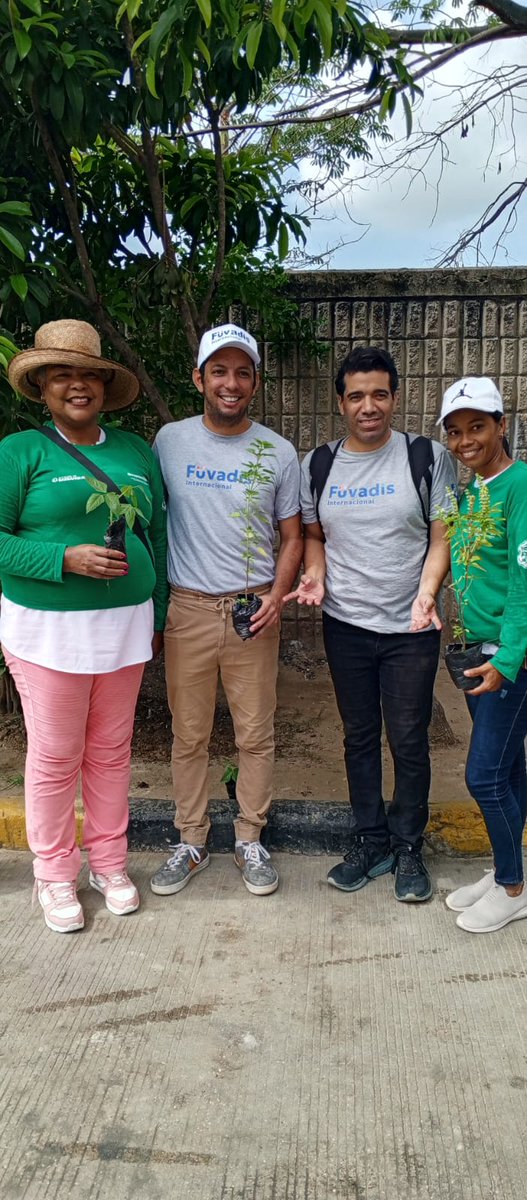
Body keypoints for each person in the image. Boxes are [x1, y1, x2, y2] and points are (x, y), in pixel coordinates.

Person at [1, 320, 168, 933]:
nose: (77, 385)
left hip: (125, 629)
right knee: (55, 755)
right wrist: (62, 559)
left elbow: (159, 535)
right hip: (47, 634)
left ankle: (109, 862)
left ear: (104, 385)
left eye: (88, 375)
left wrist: (160, 613)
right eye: (62, 375)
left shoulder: (134, 451)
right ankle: (53, 872)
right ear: (42, 387)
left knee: (111, 753)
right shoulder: (20, 452)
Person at [285, 345, 456, 902]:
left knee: (408, 738)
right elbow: (314, 535)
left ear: (395, 398)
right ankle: (369, 839)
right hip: (347, 625)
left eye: (379, 394)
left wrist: (427, 594)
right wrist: (314, 575)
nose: (368, 406)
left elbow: (442, 536)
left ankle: (408, 845)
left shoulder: (425, 457)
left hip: (411, 629)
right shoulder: (319, 464)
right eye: (356, 396)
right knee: (359, 736)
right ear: (341, 403)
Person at [150, 323, 302, 898]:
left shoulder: (278, 452)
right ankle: (190, 839)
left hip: (251, 609)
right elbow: (153, 521)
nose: (230, 383)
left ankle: (249, 838)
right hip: (187, 609)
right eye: (219, 371)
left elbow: (293, 535)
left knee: (255, 734)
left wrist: (276, 596)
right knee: (188, 734)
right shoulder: (169, 442)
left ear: (255, 382)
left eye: (242, 372)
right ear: (199, 378)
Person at [425, 377, 527, 934]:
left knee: (484, 777)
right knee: (509, 770)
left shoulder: (520, 486)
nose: (465, 441)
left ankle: (513, 889)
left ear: (501, 426)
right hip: (478, 650)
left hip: (509, 659)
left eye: (478, 427)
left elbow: (524, 582)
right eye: (456, 431)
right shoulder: (472, 494)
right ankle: (507, 871)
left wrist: (508, 658)